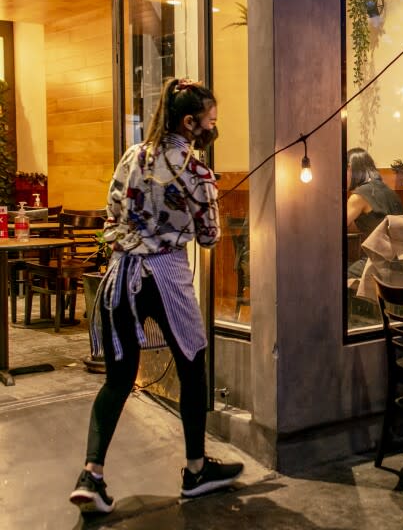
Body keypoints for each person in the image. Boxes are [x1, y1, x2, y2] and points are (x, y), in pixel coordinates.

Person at [69, 78, 243, 514]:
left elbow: (112, 213)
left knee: (119, 377)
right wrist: (204, 199)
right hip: (164, 275)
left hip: (120, 275)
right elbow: (209, 237)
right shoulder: (195, 170)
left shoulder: (133, 157)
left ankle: (92, 473)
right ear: (190, 122)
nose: (212, 129)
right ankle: (196, 470)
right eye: (210, 121)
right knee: (192, 367)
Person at [346, 147, 403, 278]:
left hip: (377, 264)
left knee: (338, 277)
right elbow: (375, 223)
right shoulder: (390, 193)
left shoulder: (359, 196)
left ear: (350, 168)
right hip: (401, 264)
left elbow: (335, 230)